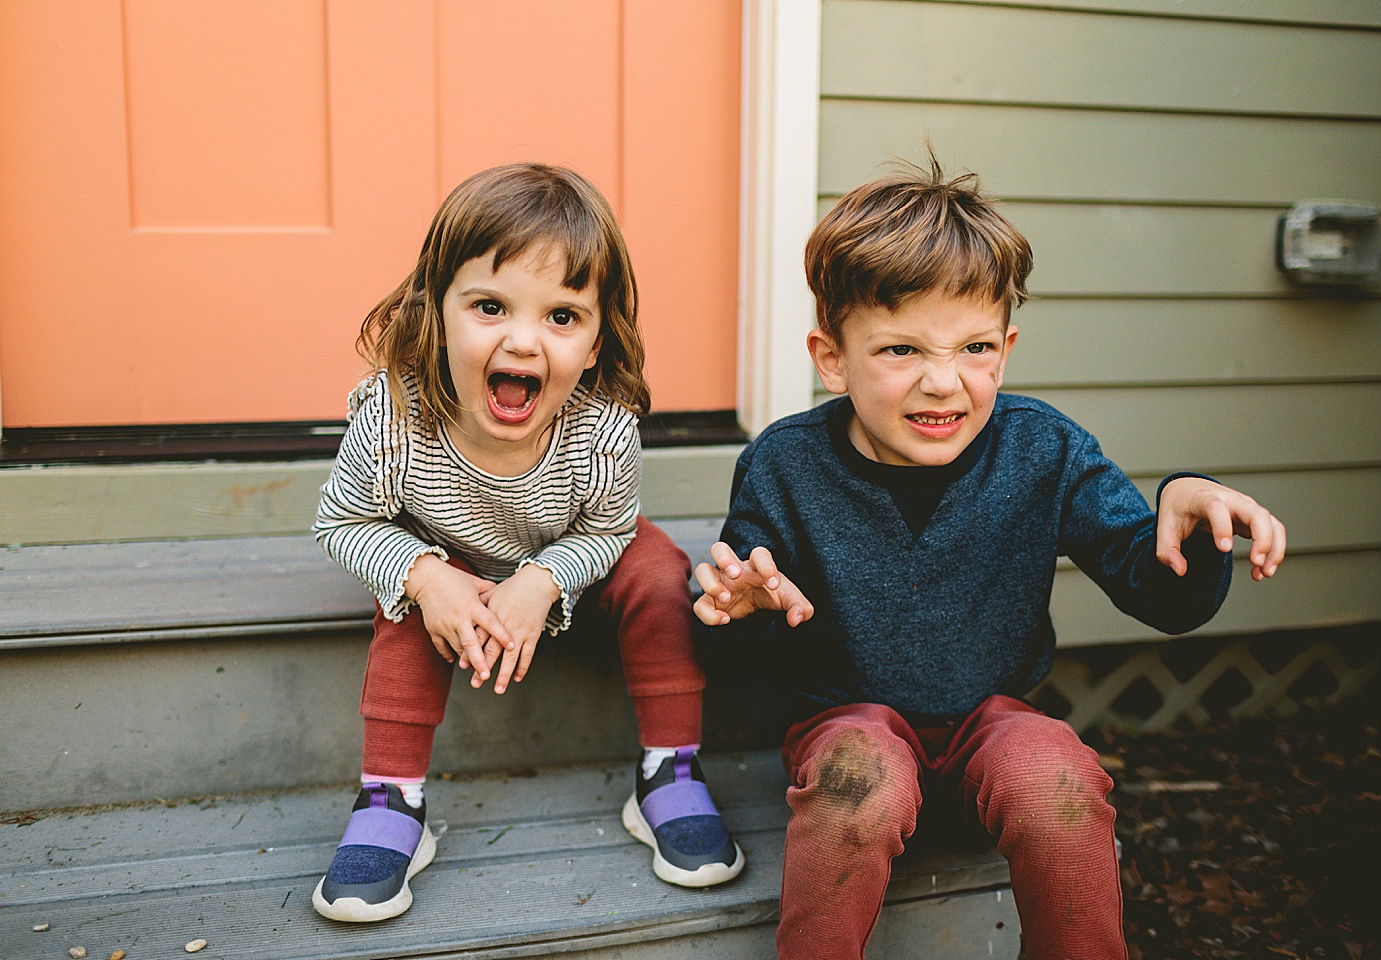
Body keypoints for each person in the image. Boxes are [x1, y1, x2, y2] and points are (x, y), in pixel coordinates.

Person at [692, 157, 1286, 960]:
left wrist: (1187, 519)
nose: (944, 383)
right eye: (901, 351)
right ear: (831, 358)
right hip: (848, 735)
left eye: (973, 347)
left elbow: (1163, 598)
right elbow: (738, 617)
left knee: (1056, 775)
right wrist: (741, 613)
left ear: (1004, 351)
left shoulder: (1043, 450)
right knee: (859, 777)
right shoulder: (786, 466)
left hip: (990, 731)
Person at [311, 163, 744, 923]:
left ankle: (668, 769)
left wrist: (543, 581)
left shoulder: (602, 422)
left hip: (575, 550)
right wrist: (422, 572)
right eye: (488, 306)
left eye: (562, 317)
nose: (523, 340)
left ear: (599, 334)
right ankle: (391, 797)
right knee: (410, 598)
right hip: (447, 553)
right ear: (435, 309)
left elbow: (607, 529)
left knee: (659, 570)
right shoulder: (393, 413)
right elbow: (344, 521)